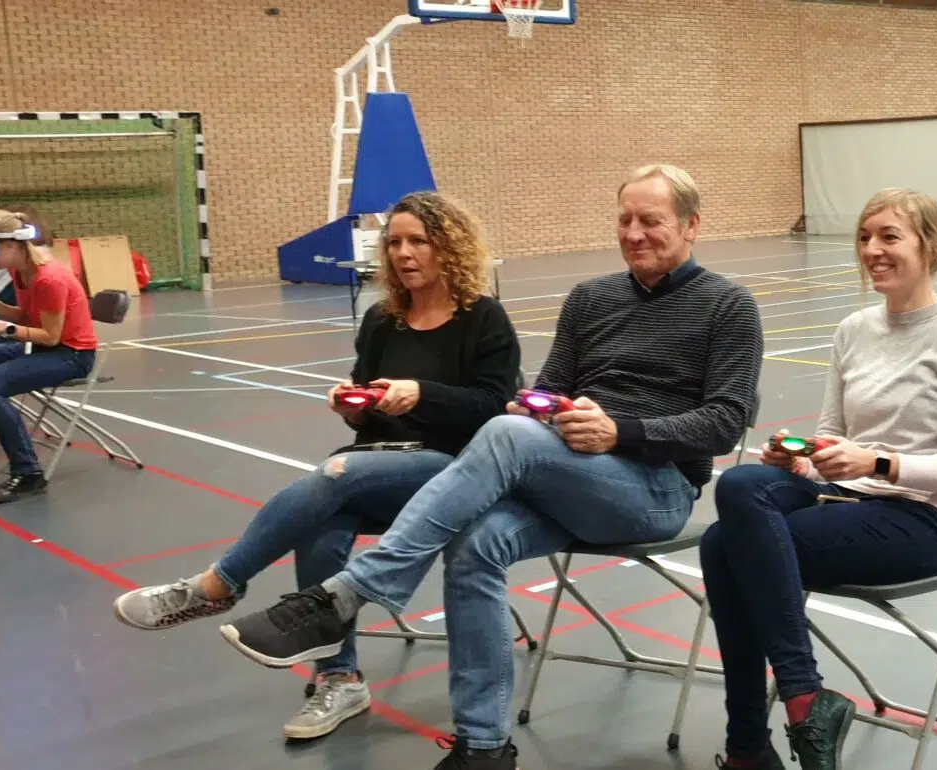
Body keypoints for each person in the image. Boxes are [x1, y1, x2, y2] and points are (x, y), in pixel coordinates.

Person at [215, 164, 765, 770]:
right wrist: (537, 408)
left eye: (650, 221)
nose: (634, 233)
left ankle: (349, 592)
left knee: (503, 436)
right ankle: (483, 747)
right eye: (625, 219)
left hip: (653, 490)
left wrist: (621, 431)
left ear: (690, 225)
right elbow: (551, 388)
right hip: (570, 479)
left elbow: (725, 421)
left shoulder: (728, 306)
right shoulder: (591, 299)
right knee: (476, 540)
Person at [110, 191, 520, 739]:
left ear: (449, 247)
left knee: (335, 476)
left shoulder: (483, 319)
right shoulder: (382, 320)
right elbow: (367, 406)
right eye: (394, 242)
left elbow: (496, 408)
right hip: (377, 464)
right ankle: (339, 677)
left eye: (418, 241)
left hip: (455, 471)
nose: (403, 253)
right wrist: (354, 405)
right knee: (323, 516)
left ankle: (216, 585)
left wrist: (423, 394)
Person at [702, 188, 937, 770]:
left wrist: (877, 463)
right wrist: (802, 460)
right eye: (865, 237)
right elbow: (828, 442)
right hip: (842, 498)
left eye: (889, 236)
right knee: (738, 487)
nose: (872, 249)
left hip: (918, 520)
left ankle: (758, 739)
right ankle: (800, 704)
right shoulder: (853, 330)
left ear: (928, 246)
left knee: (723, 546)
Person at [0, 208, 99, 504]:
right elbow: (30, 316)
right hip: (46, 346)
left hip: (71, 355)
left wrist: (1, 327)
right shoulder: (19, 271)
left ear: (12, 245)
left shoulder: (50, 279)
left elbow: (51, 335)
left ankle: (28, 473)